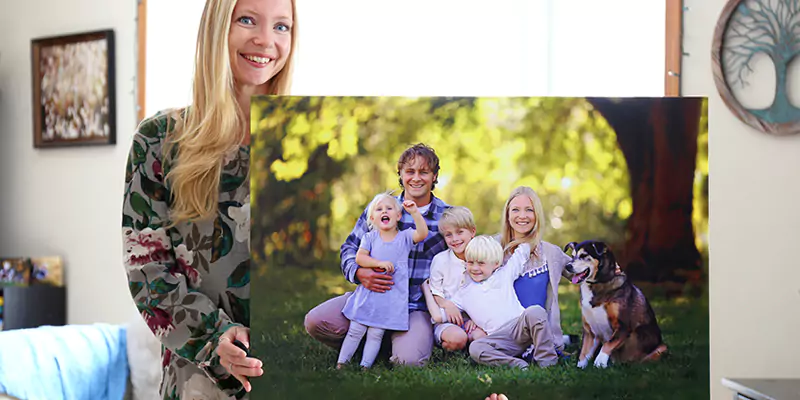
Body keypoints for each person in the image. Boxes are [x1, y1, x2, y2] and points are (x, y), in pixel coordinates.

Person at [121, 0, 297, 397]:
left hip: (289, 379)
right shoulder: (159, 140)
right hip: (198, 384)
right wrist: (217, 340)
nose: (266, 40)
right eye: (247, 20)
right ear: (217, 27)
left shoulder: (301, 144)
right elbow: (146, 270)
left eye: (282, 27)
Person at [304, 143, 450, 367]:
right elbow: (350, 248)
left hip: (414, 306)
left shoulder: (447, 215)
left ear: (435, 176)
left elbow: (461, 260)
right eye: (410, 171)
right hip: (372, 297)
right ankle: (373, 340)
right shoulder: (381, 207)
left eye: (424, 172)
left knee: (408, 361)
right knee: (316, 322)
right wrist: (360, 273)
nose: (416, 178)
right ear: (400, 175)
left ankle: (391, 342)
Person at [431, 236, 558, 369]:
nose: (475, 268)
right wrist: (437, 298)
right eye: (470, 262)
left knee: (535, 311)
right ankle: (517, 364)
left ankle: (547, 362)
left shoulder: (504, 274)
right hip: (498, 340)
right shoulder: (463, 293)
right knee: (475, 348)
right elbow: (440, 316)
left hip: (520, 329)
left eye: (481, 263)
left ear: (496, 263)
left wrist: (527, 234)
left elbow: (522, 253)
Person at [336, 192, 429, 370]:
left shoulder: (405, 237)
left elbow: (422, 233)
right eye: (379, 209)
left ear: (398, 215)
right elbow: (360, 258)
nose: (384, 211)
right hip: (369, 294)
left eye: (389, 208)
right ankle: (342, 363)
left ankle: (365, 366)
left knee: (376, 333)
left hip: (390, 298)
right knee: (356, 330)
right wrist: (378, 263)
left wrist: (415, 213)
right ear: (372, 217)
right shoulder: (370, 238)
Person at [494, 186, 573, 358]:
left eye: (529, 210)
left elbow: (582, 273)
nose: (522, 216)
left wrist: (612, 268)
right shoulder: (493, 247)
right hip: (503, 334)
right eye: (515, 210)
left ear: (537, 215)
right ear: (507, 215)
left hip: (539, 336)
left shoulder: (551, 253)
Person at [420, 206, 483, 351]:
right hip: (445, 319)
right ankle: (451, 347)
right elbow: (435, 291)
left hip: (473, 318)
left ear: (472, 232)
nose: (454, 239)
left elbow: (486, 289)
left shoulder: (480, 258)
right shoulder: (441, 260)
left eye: (460, 232)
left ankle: (473, 350)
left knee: (481, 338)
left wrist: (476, 319)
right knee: (457, 339)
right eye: (448, 235)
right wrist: (447, 304)